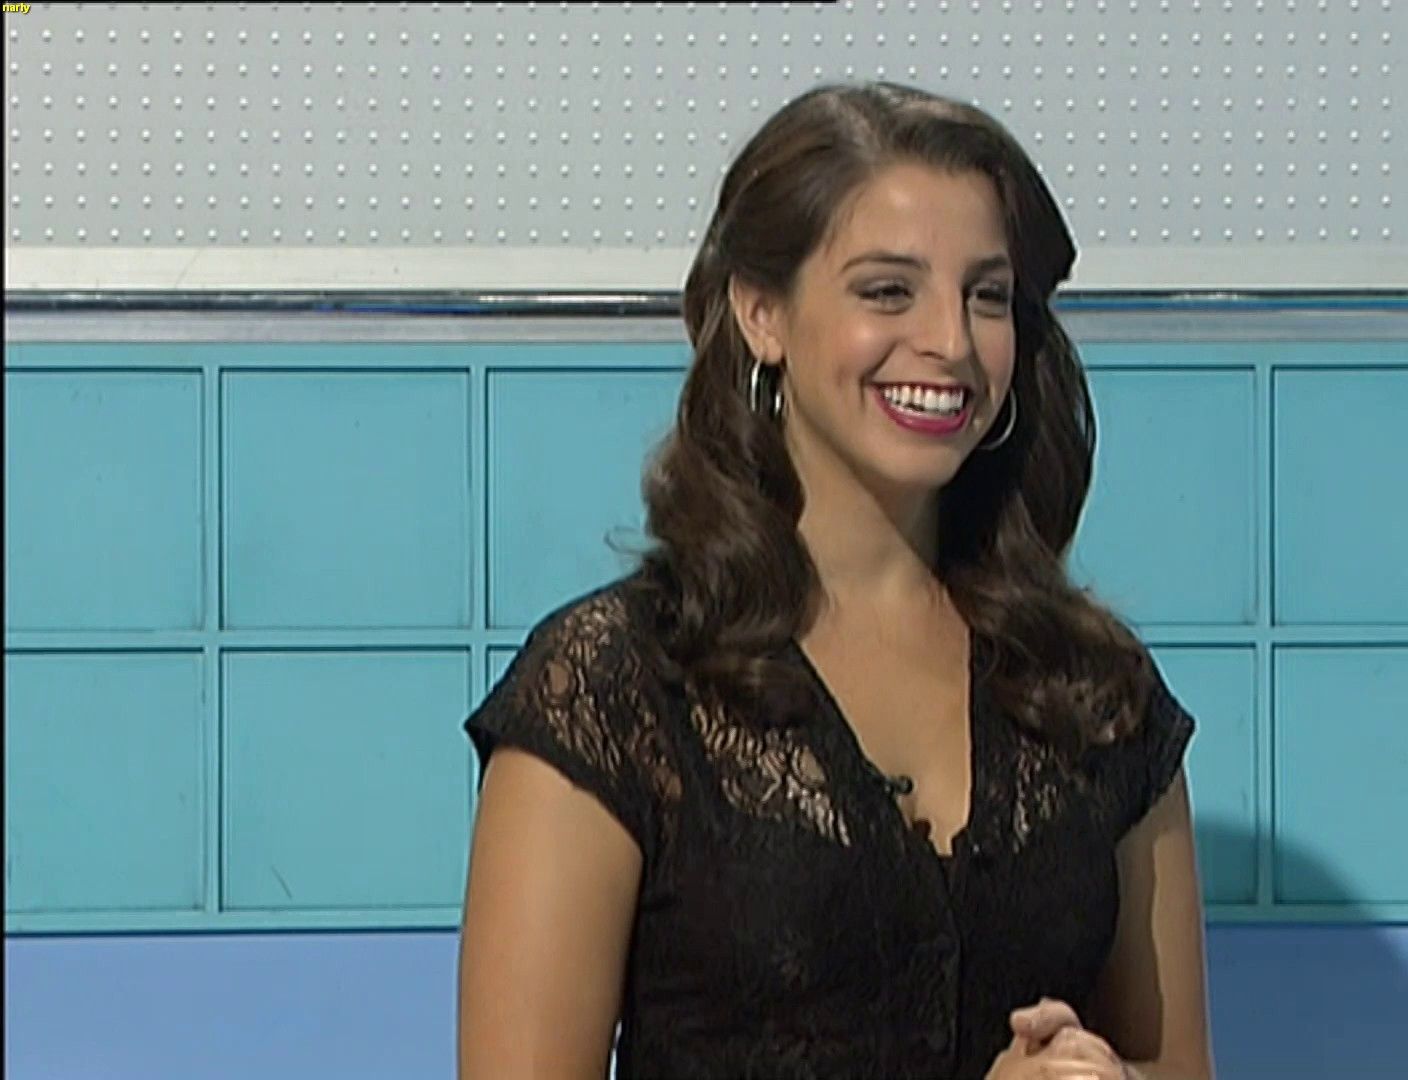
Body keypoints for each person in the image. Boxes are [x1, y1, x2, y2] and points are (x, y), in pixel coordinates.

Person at [457, 81, 1215, 1080]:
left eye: (986, 296)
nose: (950, 342)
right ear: (761, 311)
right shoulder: (610, 688)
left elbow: (1177, 1068)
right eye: (888, 291)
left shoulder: (1097, 691)